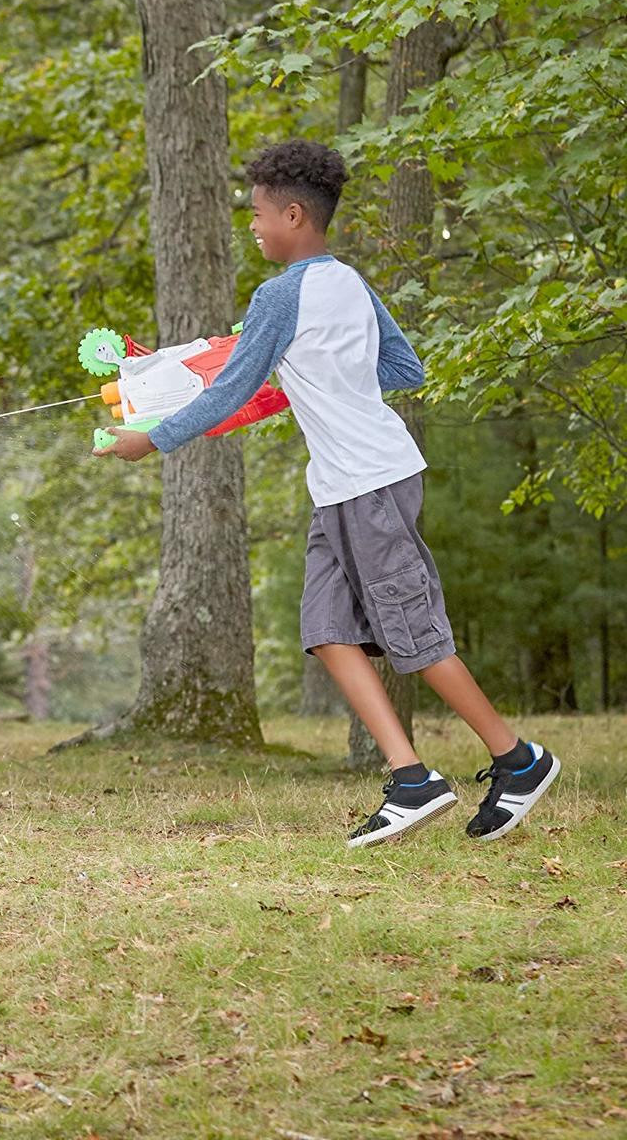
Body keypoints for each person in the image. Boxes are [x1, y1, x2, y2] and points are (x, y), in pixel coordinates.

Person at [94, 141, 560, 848]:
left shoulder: (279, 295)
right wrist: (307, 364)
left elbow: (230, 390)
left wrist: (149, 439)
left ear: (293, 213)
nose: (251, 226)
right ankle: (411, 780)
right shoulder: (348, 281)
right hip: (344, 483)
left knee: (414, 635)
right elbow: (402, 366)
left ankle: (517, 760)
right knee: (326, 629)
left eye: (256, 214)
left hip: (370, 481)